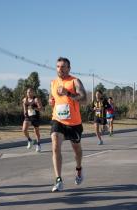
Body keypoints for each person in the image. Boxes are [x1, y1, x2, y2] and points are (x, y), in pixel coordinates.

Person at [49, 57, 87, 192]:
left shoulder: (75, 81)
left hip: (74, 123)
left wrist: (68, 93)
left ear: (69, 68)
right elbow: (53, 97)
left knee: (76, 149)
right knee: (55, 146)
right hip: (58, 120)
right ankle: (58, 179)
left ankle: (79, 169)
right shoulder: (53, 83)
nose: (60, 69)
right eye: (58, 66)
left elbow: (84, 99)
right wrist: (51, 100)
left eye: (63, 66)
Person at [22, 88, 42, 152]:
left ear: (33, 93)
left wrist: (34, 108)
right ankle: (30, 140)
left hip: (35, 116)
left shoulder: (36, 99)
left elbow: (41, 108)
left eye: (30, 92)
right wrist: (25, 113)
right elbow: (24, 107)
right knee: (24, 129)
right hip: (28, 116)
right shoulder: (25, 99)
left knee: (36, 131)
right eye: (28, 92)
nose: (29, 93)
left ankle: (38, 145)